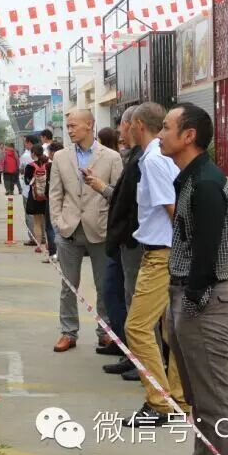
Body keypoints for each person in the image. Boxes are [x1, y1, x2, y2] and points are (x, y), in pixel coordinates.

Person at [157, 103, 228, 455]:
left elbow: (207, 251)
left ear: (188, 135)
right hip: (186, 297)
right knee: (199, 399)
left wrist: (192, 297)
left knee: (216, 403)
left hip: (205, 302)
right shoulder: (191, 177)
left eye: (166, 127)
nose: (160, 135)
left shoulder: (206, 182)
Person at [119, 103, 187, 427]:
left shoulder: (154, 160)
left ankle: (160, 402)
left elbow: (173, 208)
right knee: (170, 329)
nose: (125, 129)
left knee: (137, 327)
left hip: (163, 254)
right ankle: (179, 398)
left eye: (128, 124)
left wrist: (187, 248)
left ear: (138, 125)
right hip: (166, 251)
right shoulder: (157, 157)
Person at [48, 109, 123, 352]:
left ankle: (105, 331)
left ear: (89, 125)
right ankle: (68, 332)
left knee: (104, 285)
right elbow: (55, 193)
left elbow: (118, 195)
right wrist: (58, 222)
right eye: (68, 126)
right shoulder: (61, 157)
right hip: (69, 229)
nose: (69, 130)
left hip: (100, 228)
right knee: (68, 286)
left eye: (73, 125)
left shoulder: (111, 157)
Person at [82, 106, 143, 369]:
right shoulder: (135, 157)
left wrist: (102, 188)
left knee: (128, 298)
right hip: (121, 240)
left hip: (132, 240)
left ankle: (137, 358)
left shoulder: (140, 160)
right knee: (113, 293)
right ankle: (124, 346)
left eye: (122, 127)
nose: (120, 132)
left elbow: (128, 199)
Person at [22, 145, 49, 253]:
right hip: (47, 196)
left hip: (35, 197)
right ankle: (49, 244)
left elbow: (27, 182)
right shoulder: (49, 165)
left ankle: (39, 245)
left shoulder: (30, 166)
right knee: (48, 222)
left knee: (37, 222)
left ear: (33, 153)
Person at [41, 141, 63, 262]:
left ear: (53, 152)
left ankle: (53, 253)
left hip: (52, 198)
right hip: (65, 199)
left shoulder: (50, 166)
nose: (48, 154)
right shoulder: (68, 164)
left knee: (50, 226)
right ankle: (61, 252)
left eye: (49, 152)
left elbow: (49, 185)